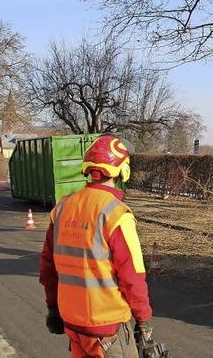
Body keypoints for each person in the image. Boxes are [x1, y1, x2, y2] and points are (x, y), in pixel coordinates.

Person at [39, 135, 153, 357]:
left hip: (72, 323)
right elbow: (133, 276)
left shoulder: (62, 208)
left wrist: (53, 308)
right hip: (107, 328)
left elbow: (47, 266)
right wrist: (143, 320)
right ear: (123, 170)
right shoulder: (118, 215)